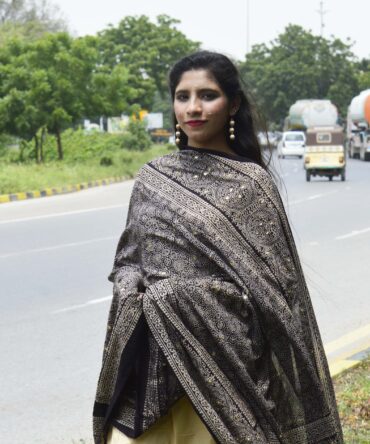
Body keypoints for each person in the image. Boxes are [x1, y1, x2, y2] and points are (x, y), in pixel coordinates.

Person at [93, 51, 343, 444]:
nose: (192, 108)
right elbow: (127, 262)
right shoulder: (152, 178)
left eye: (207, 95)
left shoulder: (251, 185)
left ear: (233, 104)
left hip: (228, 372)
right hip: (154, 373)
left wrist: (188, 297)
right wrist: (135, 291)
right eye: (182, 96)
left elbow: (278, 299)